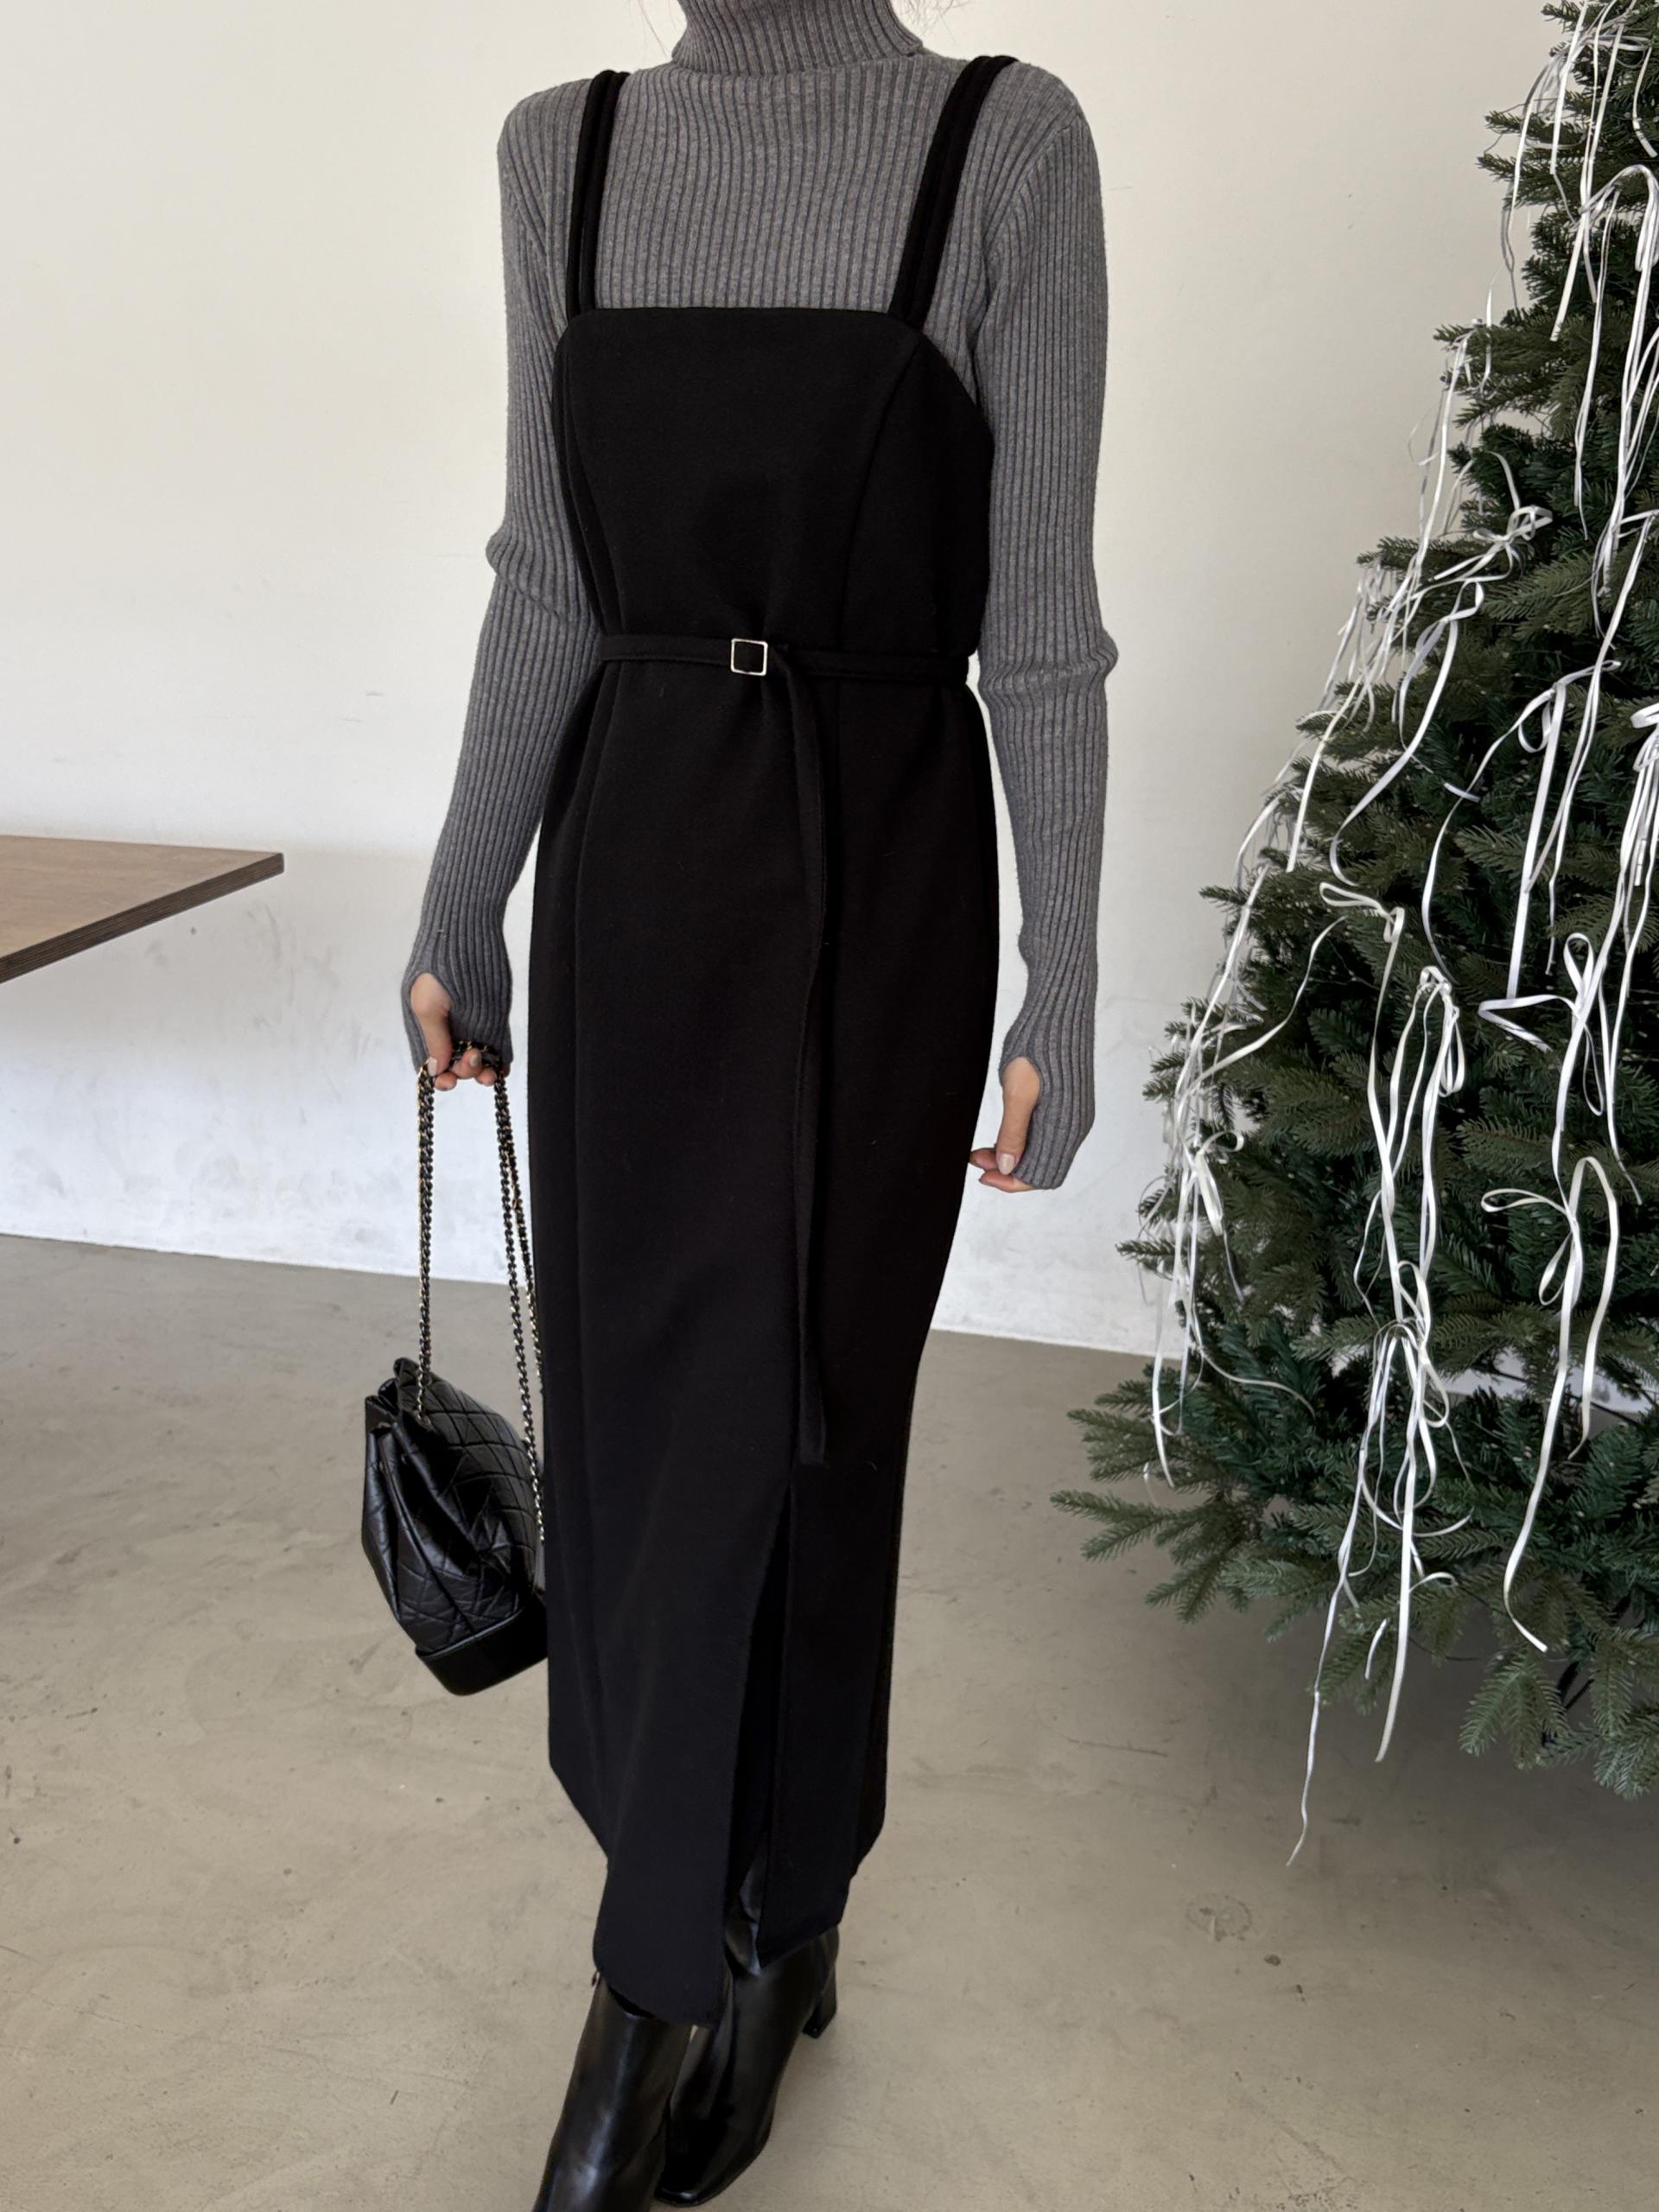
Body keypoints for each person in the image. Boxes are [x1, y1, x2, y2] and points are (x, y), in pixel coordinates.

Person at [401, 5, 1115, 2205]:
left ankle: (717, 1948)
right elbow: (549, 571)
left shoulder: (1005, 147)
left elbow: (1040, 619)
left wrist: (1066, 974)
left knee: (811, 1424)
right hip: (634, 877)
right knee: (643, 1428)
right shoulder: (565, 150)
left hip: (877, 881)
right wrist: (464, 888)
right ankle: (719, 1926)